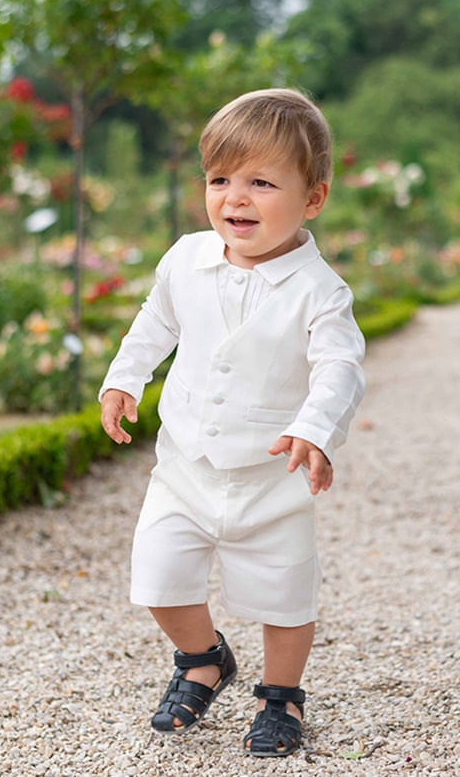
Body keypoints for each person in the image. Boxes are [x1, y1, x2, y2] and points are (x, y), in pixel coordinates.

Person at [99, 88, 366, 757]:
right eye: (220, 179)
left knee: (284, 596)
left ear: (313, 198)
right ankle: (203, 658)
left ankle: (281, 697)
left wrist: (314, 428)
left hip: (269, 476)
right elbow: (154, 321)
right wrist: (125, 378)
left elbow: (341, 368)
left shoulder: (319, 289)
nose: (234, 197)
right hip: (185, 464)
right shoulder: (185, 259)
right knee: (158, 578)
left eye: (261, 182)